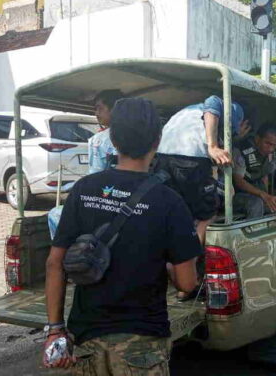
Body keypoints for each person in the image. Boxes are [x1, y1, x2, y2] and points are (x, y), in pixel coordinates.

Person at [43, 98, 201, 375]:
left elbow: (54, 264)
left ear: (112, 138)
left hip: (86, 341)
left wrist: (56, 330)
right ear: (158, 139)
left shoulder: (84, 189)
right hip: (142, 346)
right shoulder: (170, 202)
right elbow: (187, 283)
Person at [154, 95, 249, 246]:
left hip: (162, 158)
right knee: (208, 214)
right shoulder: (226, 107)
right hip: (190, 159)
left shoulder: (189, 112)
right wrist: (213, 146)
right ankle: (190, 260)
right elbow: (213, 101)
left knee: (175, 211)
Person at [232, 122, 276, 219]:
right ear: (257, 139)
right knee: (256, 204)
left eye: (274, 145)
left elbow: (265, 176)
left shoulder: (270, 154)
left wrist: (268, 197)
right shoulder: (242, 150)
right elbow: (238, 181)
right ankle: (255, 232)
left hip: (260, 196)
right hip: (237, 196)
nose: (270, 149)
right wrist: (264, 195)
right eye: (267, 143)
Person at [88, 90, 125, 174]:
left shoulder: (97, 140)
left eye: (100, 108)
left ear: (114, 109)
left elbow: (95, 174)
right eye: (96, 109)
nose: (96, 113)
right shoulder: (145, 133)